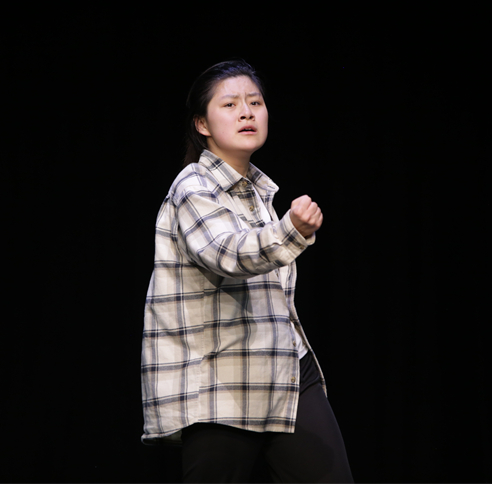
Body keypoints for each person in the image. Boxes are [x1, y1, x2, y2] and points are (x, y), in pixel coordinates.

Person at [141, 59, 354, 483]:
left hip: (286, 371)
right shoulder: (193, 187)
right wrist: (290, 231)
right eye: (230, 104)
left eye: (255, 102)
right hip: (223, 380)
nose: (246, 112)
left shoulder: (258, 194)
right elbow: (227, 254)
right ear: (202, 124)